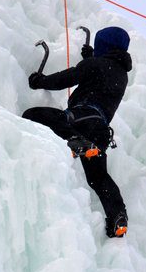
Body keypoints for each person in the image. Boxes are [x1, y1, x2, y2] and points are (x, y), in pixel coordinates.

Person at [22, 26, 132, 238]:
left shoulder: (96, 65)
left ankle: (75, 139)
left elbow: (69, 77)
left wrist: (41, 82)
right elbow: (99, 76)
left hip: (80, 120)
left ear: (105, 46)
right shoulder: (121, 75)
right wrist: (90, 59)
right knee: (98, 178)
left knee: (33, 113)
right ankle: (118, 217)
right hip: (100, 131)